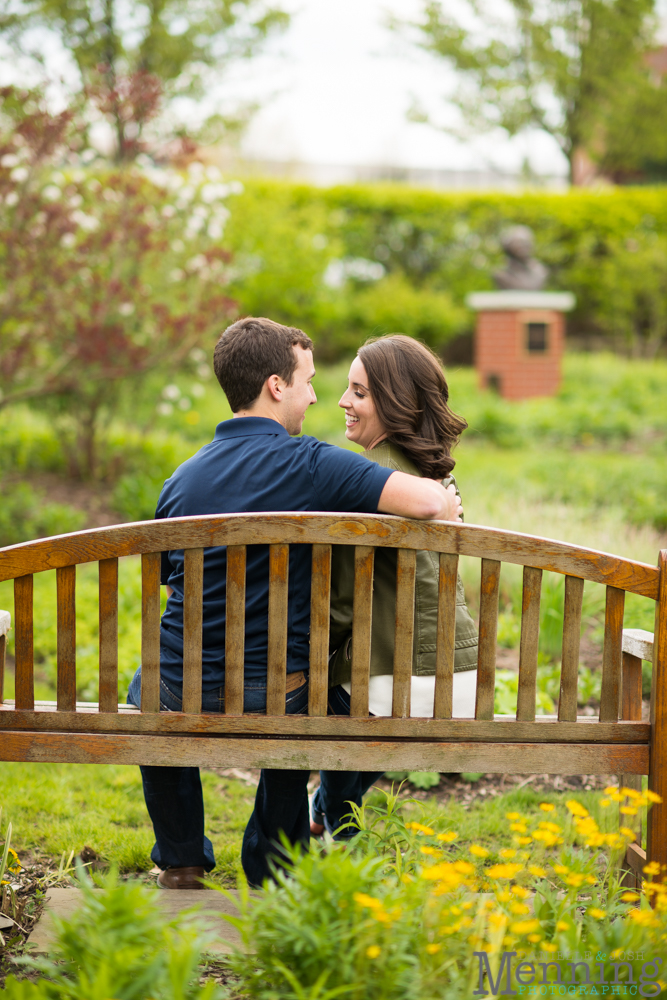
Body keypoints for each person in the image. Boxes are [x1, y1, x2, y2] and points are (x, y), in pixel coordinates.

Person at [127, 317, 463, 889]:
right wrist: (446, 503)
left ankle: (181, 857)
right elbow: (430, 501)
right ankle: (276, 863)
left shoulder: (179, 483)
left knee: (151, 688)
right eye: (307, 379)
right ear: (276, 386)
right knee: (301, 693)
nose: (316, 395)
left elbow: (166, 580)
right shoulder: (312, 464)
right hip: (275, 691)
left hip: (175, 684)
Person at [310, 334, 478, 840]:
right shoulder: (432, 484)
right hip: (458, 678)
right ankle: (324, 813)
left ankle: (326, 829)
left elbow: (340, 602)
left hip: (391, 683)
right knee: (361, 710)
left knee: (312, 695)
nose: (343, 401)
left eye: (358, 392)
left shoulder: (370, 481)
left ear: (395, 401)